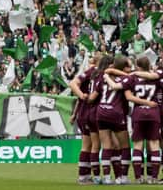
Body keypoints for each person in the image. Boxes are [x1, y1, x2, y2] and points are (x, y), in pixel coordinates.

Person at [107, 56, 161, 184]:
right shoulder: (156, 78)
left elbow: (120, 89)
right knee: (154, 145)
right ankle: (153, 178)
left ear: (138, 66)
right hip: (154, 113)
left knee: (138, 145)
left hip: (138, 114)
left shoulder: (132, 78)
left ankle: (138, 178)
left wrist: (107, 76)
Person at [89, 56, 131, 185]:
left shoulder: (102, 77)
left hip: (101, 113)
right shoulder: (126, 79)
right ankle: (122, 177)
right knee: (125, 146)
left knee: (106, 146)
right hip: (116, 113)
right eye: (128, 66)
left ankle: (107, 177)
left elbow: (92, 98)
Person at [69, 52, 101, 184]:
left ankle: (85, 175)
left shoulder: (94, 72)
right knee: (90, 145)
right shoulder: (92, 72)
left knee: (88, 145)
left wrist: (74, 114)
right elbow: (73, 83)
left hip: (83, 112)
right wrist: (82, 95)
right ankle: (85, 176)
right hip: (89, 113)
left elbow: (78, 97)